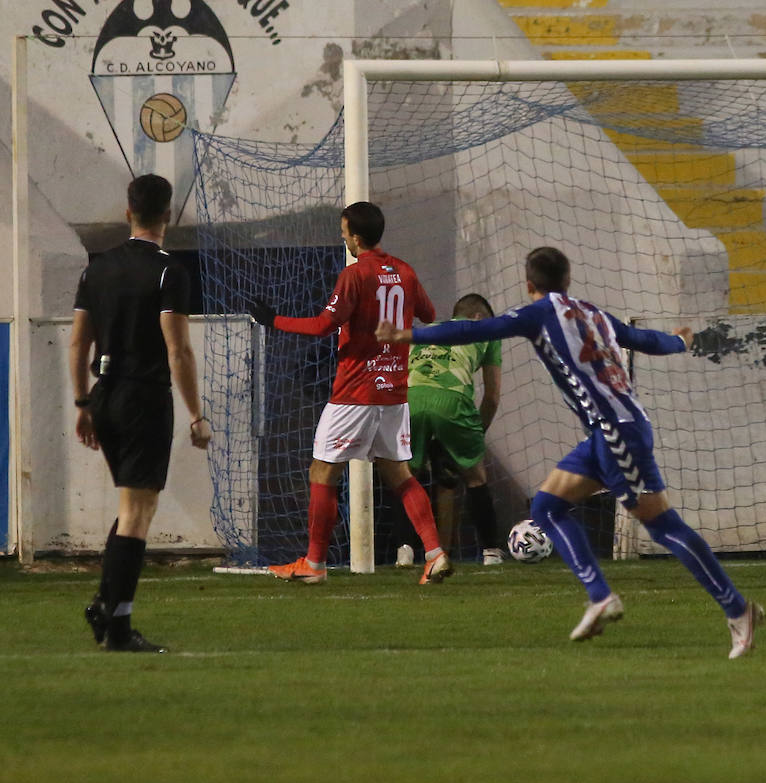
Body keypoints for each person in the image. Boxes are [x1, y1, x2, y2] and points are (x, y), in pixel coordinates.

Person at [376, 246, 766, 659]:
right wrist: (678, 342)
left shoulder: (538, 313)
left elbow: (471, 330)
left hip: (618, 433)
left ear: (530, 285)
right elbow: (640, 339)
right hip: (605, 433)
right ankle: (600, 597)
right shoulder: (593, 313)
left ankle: (738, 610)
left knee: (664, 527)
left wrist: (407, 334)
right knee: (547, 506)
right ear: (568, 279)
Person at [249, 201, 452, 585]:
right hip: (393, 390)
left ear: (356, 237)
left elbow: (324, 325)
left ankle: (314, 564)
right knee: (400, 474)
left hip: (355, 392)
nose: (342, 237)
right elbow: (427, 312)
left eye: (344, 232)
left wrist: (273, 320)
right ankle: (435, 553)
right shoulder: (405, 271)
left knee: (322, 470)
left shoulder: (355, 275)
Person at [70, 173, 212, 653]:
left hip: (105, 393)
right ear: (168, 215)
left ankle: (104, 604)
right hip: (143, 395)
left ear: (127, 211)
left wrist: (83, 401)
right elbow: (179, 351)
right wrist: (196, 414)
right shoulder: (169, 272)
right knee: (137, 511)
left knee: (133, 506)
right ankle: (118, 626)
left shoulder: (97, 269)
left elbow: (78, 342)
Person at [393, 294, 506, 568]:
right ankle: (491, 552)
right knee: (476, 475)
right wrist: (477, 433)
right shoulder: (487, 333)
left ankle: (405, 551)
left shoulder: (424, 329)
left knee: (407, 476)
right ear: (479, 318)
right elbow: (491, 397)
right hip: (451, 401)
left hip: (410, 398)